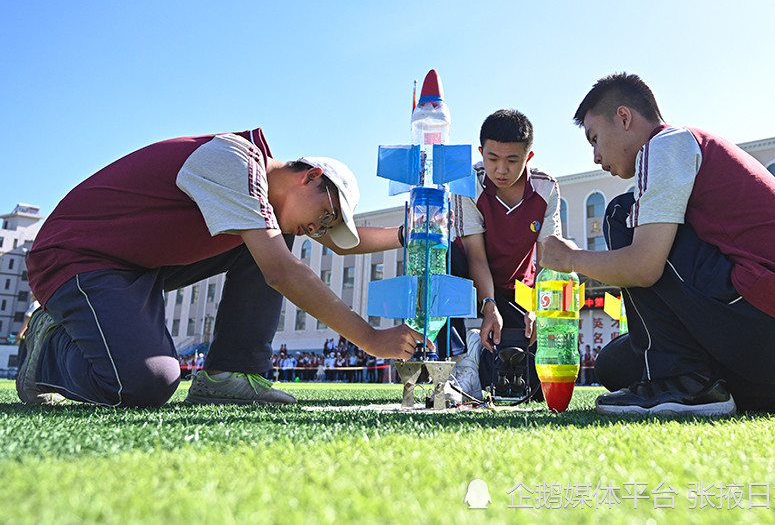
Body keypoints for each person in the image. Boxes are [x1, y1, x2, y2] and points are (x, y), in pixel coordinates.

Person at [17, 127, 428, 407]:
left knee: (277, 237)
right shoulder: (234, 161)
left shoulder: (266, 203)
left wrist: (409, 234)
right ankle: (49, 348)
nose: (318, 229)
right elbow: (282, 273)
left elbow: (340, 248)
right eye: (325, 215)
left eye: (326, 227)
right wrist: (370, 338)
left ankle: (228, 375)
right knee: (147, 384)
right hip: (77, 257)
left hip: (135, 265)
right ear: (311, 177)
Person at [538, 73, 775, 416]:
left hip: (773, 319)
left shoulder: (667, 144)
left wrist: (571, 258)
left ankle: (688, 383)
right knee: (614, 366)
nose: (595, 156)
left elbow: (643, 266)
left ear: (624, 117)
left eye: (595, 138)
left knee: (621, 214)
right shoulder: (686, 151)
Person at [449, 109, 561, 401]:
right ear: (480, 152)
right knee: (445, 257)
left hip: (516, 289)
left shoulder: (546, 187)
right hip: (471, 279)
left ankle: (478, 357)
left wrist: (537, 307)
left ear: (529, 158)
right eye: (492, 159)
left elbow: (548, 256)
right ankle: (459, 362)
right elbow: (475, 255)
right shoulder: (467, 183)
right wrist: (488, 305)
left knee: (532, 387)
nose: (500, 170)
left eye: (512, 161)